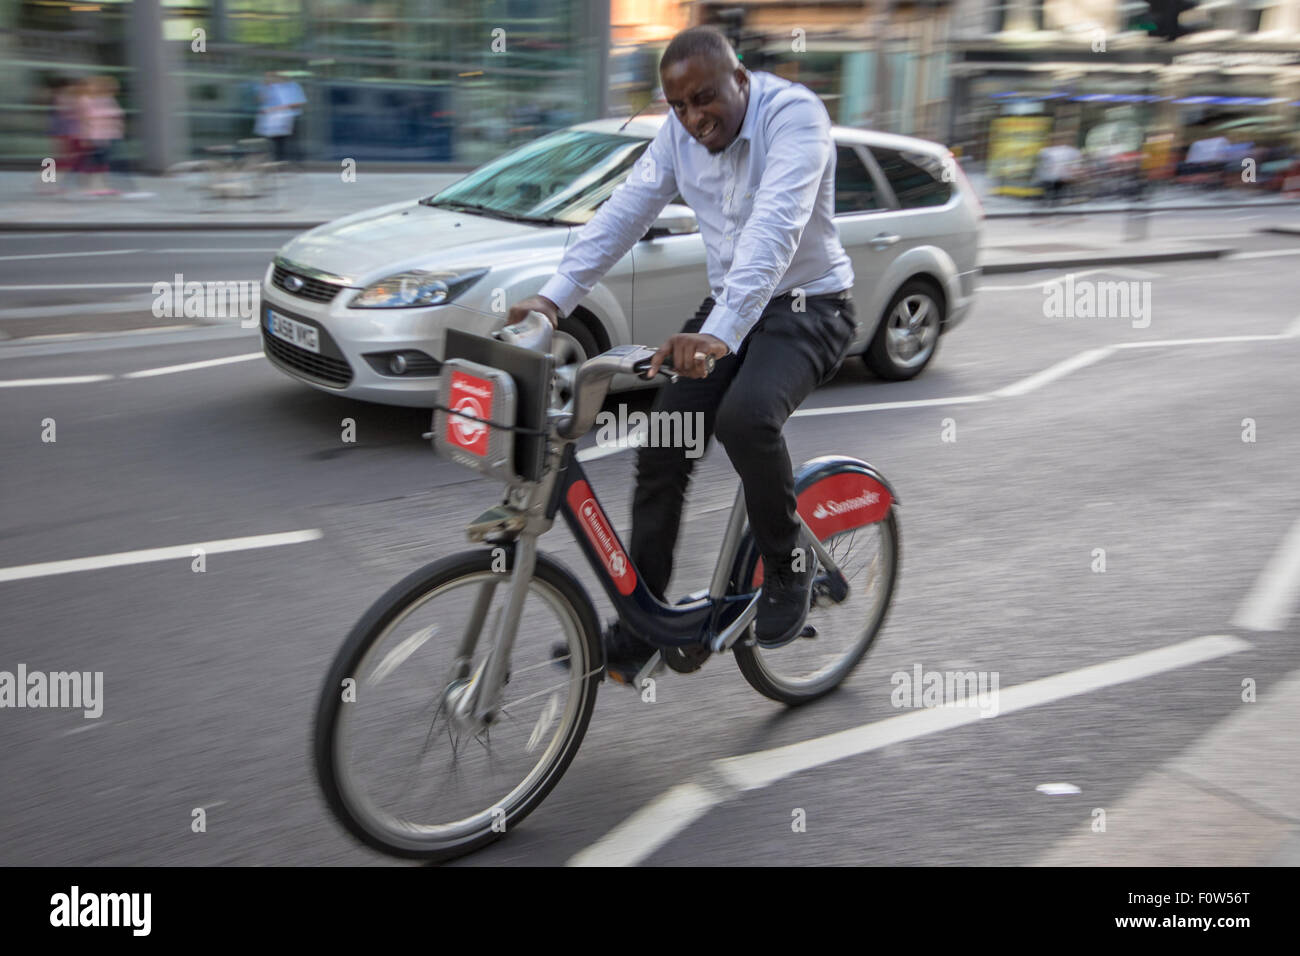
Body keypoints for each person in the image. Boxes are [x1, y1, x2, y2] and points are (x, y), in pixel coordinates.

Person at [508, 26, 857, 683]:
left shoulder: (796, 117)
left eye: (706, 99)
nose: (695, 119)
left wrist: (721, 332)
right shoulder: (677, 134)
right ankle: (643, 629)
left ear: (741, 82)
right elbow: (625, 212)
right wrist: (553, 301)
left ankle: (788, 569)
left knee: (745, 418)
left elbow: (776, 228)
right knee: (664, 446)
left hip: (809, 303)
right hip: (730, 307)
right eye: (679, 106)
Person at [256, 71, 306, 162]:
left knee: (291, 142)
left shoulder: (293, 86)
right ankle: (278, 161)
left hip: (291, 117)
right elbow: (261, 99)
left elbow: (299, 103)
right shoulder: (271, 87)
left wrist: (277, 108)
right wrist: (265, 86)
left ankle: (295, 162)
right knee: (276, 142)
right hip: (274, 120)